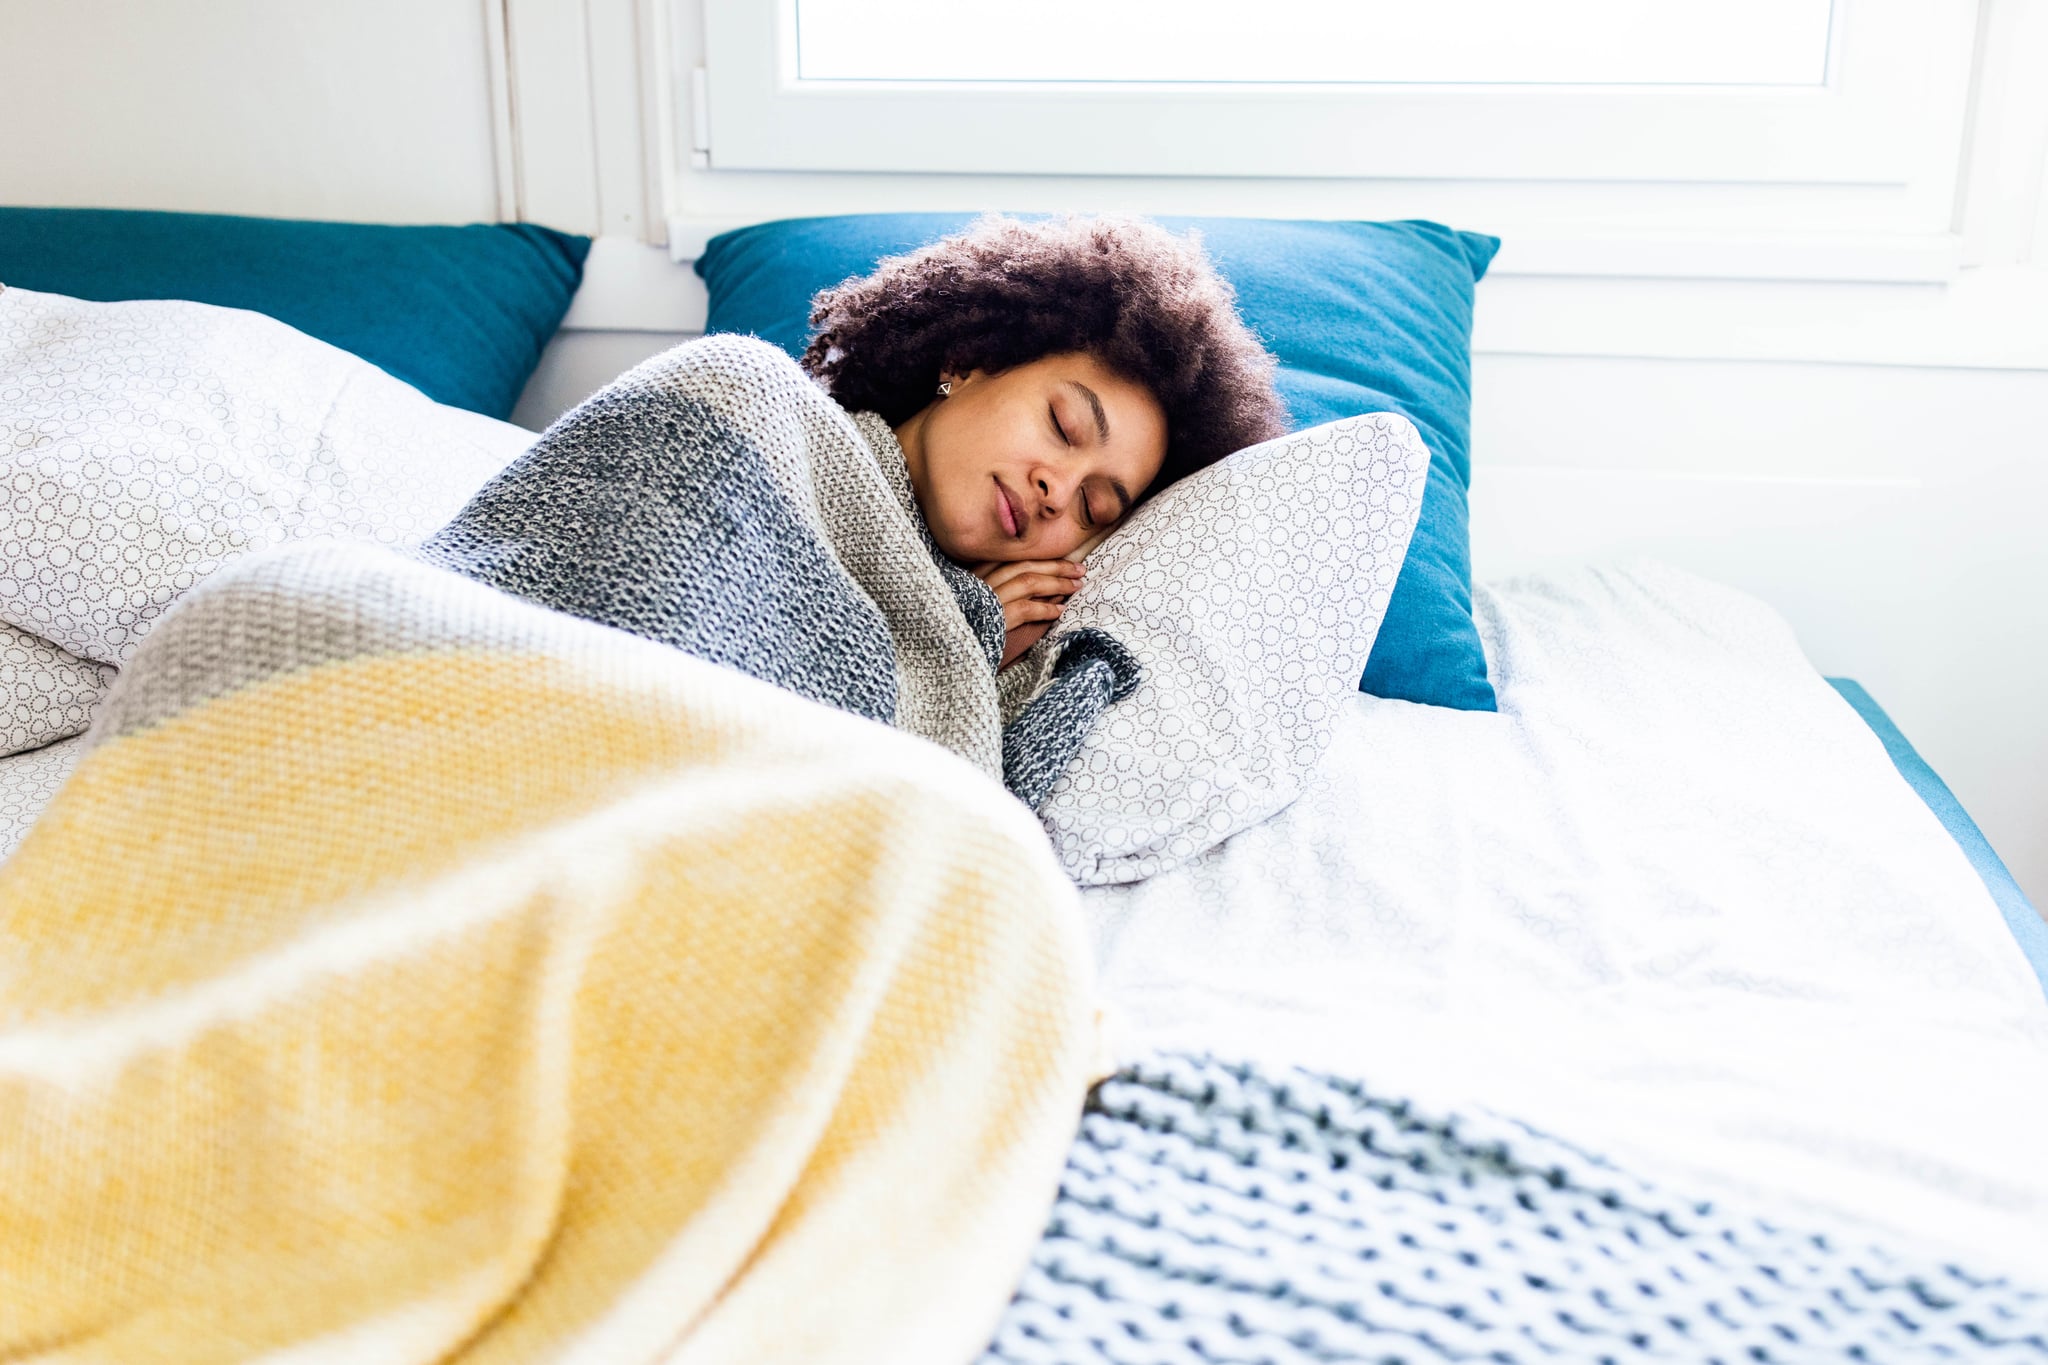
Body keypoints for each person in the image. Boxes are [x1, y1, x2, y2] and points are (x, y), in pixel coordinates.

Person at [800, 214, 1289, 666]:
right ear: (968, 364)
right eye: (1062, 426)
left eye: (1092, 507)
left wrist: (971, 641)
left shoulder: (1016, 646)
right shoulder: (759, 402)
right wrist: (947, 640)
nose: (1057, 493)